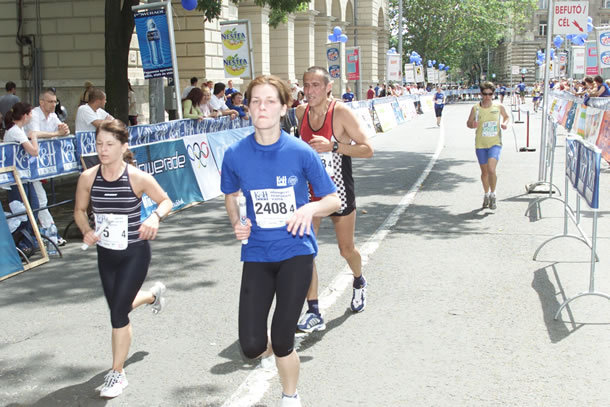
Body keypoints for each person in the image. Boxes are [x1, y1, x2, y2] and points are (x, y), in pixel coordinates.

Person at [221, 75, 340, 407]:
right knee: (251, 345)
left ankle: (290, 395)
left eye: (270, 101)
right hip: (257, 254)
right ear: (247, 108)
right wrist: (237, 222)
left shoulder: (300, 152)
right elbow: (231, 194)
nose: (262, 107)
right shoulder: (235, 154)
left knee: (283, 338)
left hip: (295, 253)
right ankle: (271, 351)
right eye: (256, 101)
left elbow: (332, 200)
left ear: (284, 108)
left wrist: (309, 209)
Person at [74, 119, 171, 399]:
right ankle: (152, 295)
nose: (103, 150)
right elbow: (79, 210)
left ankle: (117, 373)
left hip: (134, 253)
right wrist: (86, 230)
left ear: (123, 146)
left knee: (117, 314)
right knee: (122, 306)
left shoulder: (137, 177)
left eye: (109, 144)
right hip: (106, 254)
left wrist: (154, 217)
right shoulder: (88, 177)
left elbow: (165, 200)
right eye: (99, 144)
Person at [295, 66, 374, 333]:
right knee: (305, 251)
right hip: (309, 193)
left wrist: (334, 146)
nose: (310, 90)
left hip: (337, 191)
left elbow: (367, 149)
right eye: (306, 85)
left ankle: (359, 280)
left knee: (346, 249)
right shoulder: (300, 113)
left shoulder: (341, 113)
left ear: (328, 87)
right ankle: (313, 310)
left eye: (316, 85)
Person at [24, 88, 70, 242]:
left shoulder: (53, 116)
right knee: (40, 199)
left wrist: (64, 130)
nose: (53, 104)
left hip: (42, 164)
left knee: (38, 200)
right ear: (41, 102)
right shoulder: (34, 114)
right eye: (50, 101)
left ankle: (46, 233)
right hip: (28, 164)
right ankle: (50, 233)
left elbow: (62, 130)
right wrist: (57, 134)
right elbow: (34, 134)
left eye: (55, 101)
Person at [466, 82, 509, 210]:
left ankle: (493, 194)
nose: (487, 97)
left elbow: (506, 117)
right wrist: (472, 124)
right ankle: (486, 194)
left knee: (491, 169)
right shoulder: (475, 108)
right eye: (485, 94)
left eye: (490, 94)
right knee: (484, 172)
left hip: (495, 143)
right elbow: (468, 123)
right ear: (481, 94)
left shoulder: (498, 106)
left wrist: (505, 123)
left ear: (493, 94)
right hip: (480, 144)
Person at [4, 102, 40, 232]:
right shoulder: (15, 131)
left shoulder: (20, 130)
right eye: (30, 113)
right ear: (25, 116)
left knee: (34, 206)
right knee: (21, 213)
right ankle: (22, 237)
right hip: (15, 178)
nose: (31, 116)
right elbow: (34, 151)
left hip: (24, 175)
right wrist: (34, 137)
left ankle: (30, 236)